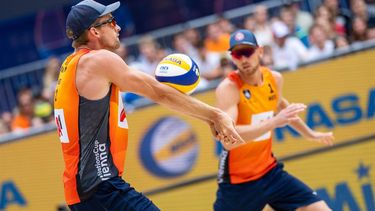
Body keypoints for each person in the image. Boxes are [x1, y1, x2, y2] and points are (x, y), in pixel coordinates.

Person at [54, 0, 244, 210]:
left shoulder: (70, 66)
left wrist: (208, 117)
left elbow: (154, 90)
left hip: (84, 191)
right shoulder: (98, 61)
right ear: (94, 32)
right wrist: (215, 115)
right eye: (110, 22)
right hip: (99, 186)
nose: (117, 27)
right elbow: (159, 92)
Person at [213, 29, 335, 211]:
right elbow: (228, 140)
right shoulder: (229, 89)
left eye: (248, 52)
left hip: (270, 171)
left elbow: (284, 110)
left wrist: (311, 134)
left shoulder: (274, 79)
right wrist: (274, 122)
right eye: (238, 54)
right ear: (232, 57)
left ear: (260, 51)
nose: (244, 59)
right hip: (238, 181)